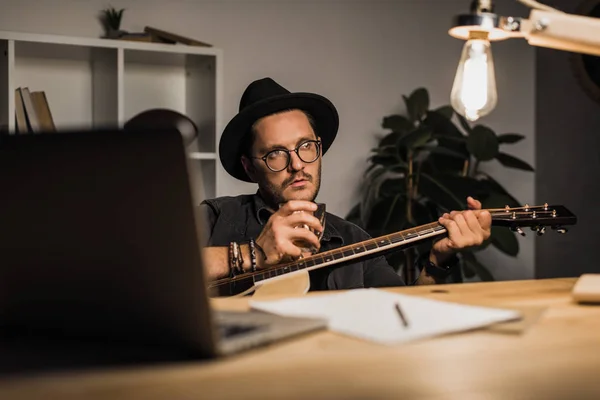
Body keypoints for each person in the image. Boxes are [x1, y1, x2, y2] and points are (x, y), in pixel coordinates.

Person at [198, 77, 491, 290]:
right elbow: (155, 273)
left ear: (319, 148)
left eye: (306, 146)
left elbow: (402, 312)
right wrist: (254, 254)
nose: (297, 164)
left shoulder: (355, 240)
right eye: (276, 153)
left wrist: (437, 262)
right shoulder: (216, 217)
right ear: (249, 167)